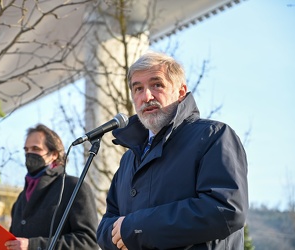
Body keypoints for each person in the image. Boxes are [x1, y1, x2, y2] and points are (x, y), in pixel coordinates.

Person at [96, 51, 248, 250]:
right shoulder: (129, 158)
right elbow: (107, 225)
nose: (146, 96)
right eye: (138, 88)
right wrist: (117, 233)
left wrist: (136, 228)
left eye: (157, 85)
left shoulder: (214, 136)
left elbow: (226, 209)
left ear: (181, 91)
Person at [5, 124, 99, 250]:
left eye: (36, 149)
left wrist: (33, 245)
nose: (29, 154)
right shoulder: (21, 198)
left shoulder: (74, 187)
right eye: (26, 150)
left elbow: (88, 242)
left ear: (54, 154)